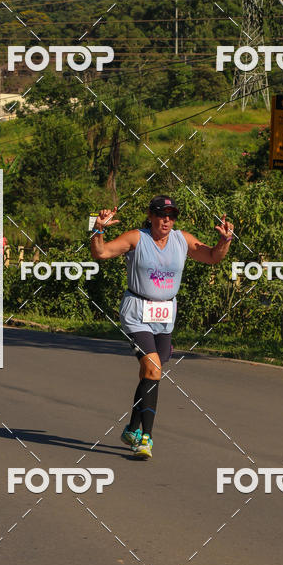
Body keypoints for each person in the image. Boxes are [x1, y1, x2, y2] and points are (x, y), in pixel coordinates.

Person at [90, 195, 234, 460]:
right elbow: (100, 252)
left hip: (165, 314)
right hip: (136, 311)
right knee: (153, 367)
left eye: (171, 215)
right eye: (161, 214)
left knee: (151, 371)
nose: (166, 219)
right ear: (151, 215)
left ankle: (132, 428)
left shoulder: (182, 240)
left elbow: (213, 257)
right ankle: (146, 438)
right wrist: (98, 229)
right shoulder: (136, 238)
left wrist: (224, 241)